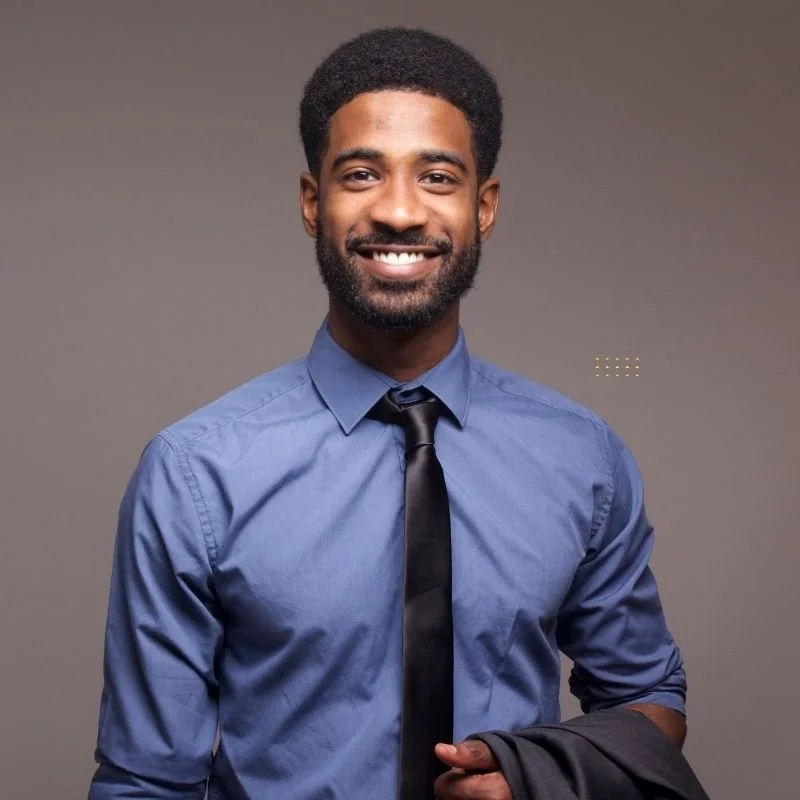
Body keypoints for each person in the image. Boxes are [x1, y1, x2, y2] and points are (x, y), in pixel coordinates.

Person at [89, 27, 689, 800]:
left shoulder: (584, 458)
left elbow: (649, 703)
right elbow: (144, 782)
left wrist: (536, 777)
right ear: (313, 203)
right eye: (362, 173)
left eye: (438, 177)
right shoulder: (195, 472)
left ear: (486, 206)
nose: (400, 212)